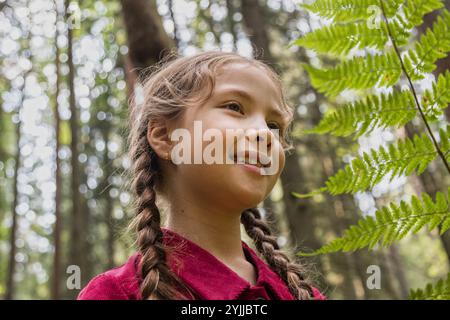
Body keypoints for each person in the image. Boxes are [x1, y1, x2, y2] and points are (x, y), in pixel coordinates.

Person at [77, 50, 326, 300]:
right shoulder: (113, 293)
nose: (265, 133)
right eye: (235, 107)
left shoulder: (304, 295)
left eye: (274, 126)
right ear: (165, 136)